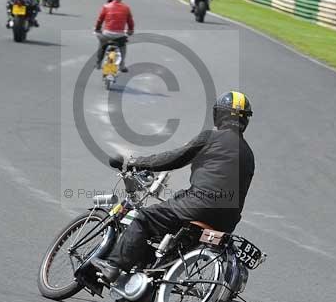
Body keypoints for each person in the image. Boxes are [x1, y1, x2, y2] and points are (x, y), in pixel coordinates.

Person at [91, 91, 256, 283]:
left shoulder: (211, 138)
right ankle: (157, 273)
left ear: (219, 114)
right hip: (227, 222)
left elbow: (174, 158)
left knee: (145, 218)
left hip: (197, 205)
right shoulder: (249, 155)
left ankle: (114, 266)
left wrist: (137, 163)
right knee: (175, 233)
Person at [94, 0, 134, 72]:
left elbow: (100, 20)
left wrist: (97, 29)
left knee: (102, 44)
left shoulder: (106, 7)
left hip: (107, 35)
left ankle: (98, 62)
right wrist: (130, 31)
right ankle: (122, 65)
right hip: (120, 36)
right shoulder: (126, 8)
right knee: (123, 47)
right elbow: (130, 22)